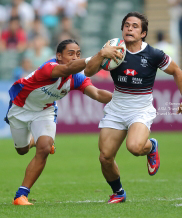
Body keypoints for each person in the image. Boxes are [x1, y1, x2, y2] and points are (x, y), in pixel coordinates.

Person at [84, 12, 182, 203]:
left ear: (143, 33)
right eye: (126, 25)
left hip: (140, 109)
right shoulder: (112, 49)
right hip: (116, 108)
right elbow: (88, 71)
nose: (129, 28)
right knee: (105, 157)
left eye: (134, 26)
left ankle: (151, 147)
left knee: (134, 147)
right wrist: (101, 54)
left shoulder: (154, 54)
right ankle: (118, 192)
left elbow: (176, 71)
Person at [5, 39, 123, 205]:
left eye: (78, 54)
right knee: (22, 150)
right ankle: (34, 141)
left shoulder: (76, 78)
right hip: (20, 108)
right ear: (58, 56)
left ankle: (21, 195)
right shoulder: (49, 68)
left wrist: (121, 99)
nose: (75, 57)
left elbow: (96, 93)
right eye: (70, 54)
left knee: (44, 147)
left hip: (45, 111)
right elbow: (68, 68)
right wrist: (99, 55)